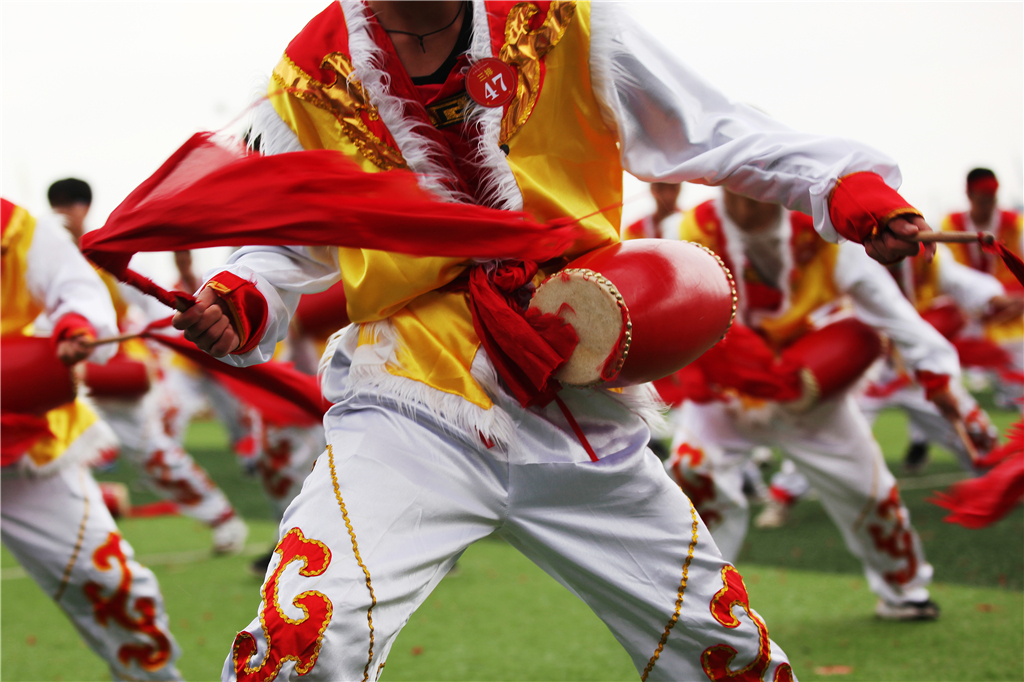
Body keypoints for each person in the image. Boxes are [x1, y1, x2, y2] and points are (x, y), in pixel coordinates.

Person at [171, 2, 935, 678]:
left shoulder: (565, 19)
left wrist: (843, 182)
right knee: (299, 644)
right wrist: (245, 295)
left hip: (574, 400)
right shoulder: (312, 73)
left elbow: (710, 127)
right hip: (406, 404)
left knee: (727, 657)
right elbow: (284, 239)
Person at [663, 189, 966, 621]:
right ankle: (698, 605)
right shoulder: (690, 230)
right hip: (725, 390)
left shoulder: (825, 234)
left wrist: (936, 375)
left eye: (757, 185)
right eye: (735, 183)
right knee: (693, 476)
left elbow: (890, 311)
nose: (747, 200)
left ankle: (905, 590)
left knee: (869, 493)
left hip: (809, 391)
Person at [1, 198, 182, 681]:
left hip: (24, 445)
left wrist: (74, 324)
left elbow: (75, 286)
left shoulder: (15, 229)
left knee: (111, 583)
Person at [48, 179, 250, 554]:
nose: (63, 211)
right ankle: (78, 542)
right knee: (52, 456)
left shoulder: (107, 253)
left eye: (70, 203)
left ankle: (222, 518)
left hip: (115, 374)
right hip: (63, 376)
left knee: (154, 455)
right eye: (56, 204)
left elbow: (154, 308)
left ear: (85, 208)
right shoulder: (48, 258)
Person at [940, 168, 1024, 405]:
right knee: (942, 366)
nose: (988, 205)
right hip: (966, 312)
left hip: (1013, 313)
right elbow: (950, 272)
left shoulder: (1014, 223)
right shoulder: (952, 223)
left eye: (992, 199)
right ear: (969, 195)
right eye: (983, 199)